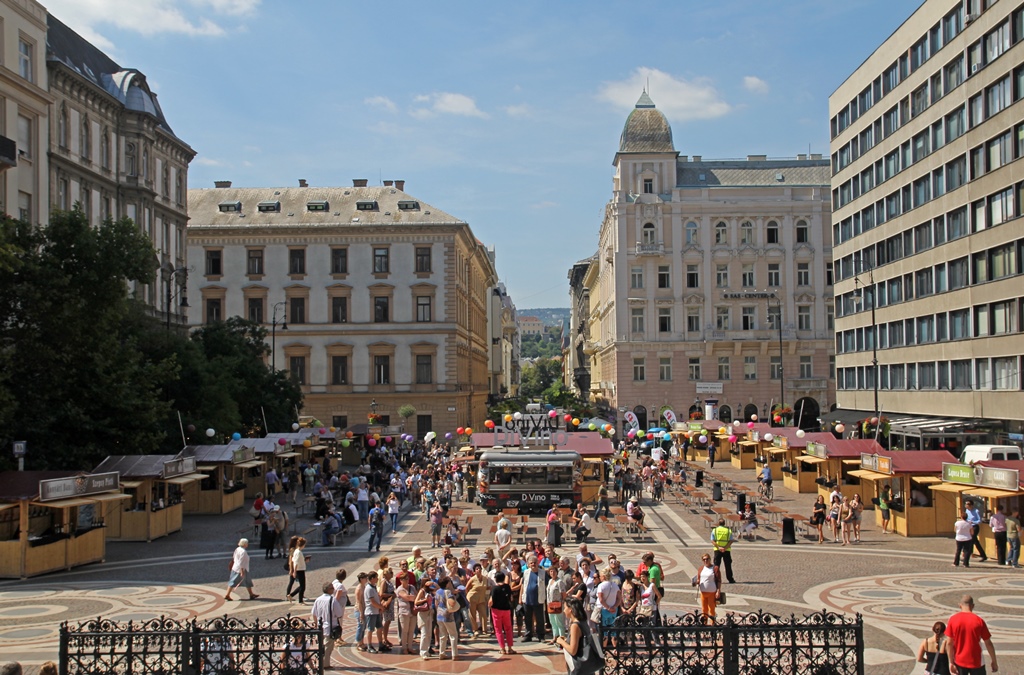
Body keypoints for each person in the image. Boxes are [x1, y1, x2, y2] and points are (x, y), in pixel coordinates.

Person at [945, 595, 998, 675]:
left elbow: (949, 643)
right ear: (973, 606)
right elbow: (988, 643)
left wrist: (951, 662)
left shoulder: (953, 619)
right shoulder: (979, 621)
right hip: (977, 661)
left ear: (960, 605)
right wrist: (994, 661)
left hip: (959, 661)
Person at [555, 597, 602, 675]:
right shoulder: (583, 622)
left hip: (579, 668)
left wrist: (561, 642)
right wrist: (567, 640)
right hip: (588, 667)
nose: (564, 611)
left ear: (570, 609)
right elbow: (581, 642)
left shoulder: (575, 626)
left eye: (565, 608)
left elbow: (573, 651)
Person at [311, 582, 343, 671]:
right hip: (330, 627)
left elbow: (314, 613)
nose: (333, 590)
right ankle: (325, 664)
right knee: (328, 647)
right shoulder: (333, 600)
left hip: (320, 627)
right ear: (329, 590)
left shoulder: (318, 599)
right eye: (332, 588)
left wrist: (316, 623)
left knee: (321, 646)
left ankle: (320, 662)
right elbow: (339, 614)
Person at [520, 554, 547, 642]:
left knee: (540, 619)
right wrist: (521, 598)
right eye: (531, 563)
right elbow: (523, 585)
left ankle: (541, 635)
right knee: (527, 618)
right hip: (527, 599)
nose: (533, 564)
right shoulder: (526, 572)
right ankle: (528, 634)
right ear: (528, 564)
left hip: (538, 599)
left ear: (538, 563)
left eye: (535, 563)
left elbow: (547, 584)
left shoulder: (542, 572)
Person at [489, 570, 515, 655]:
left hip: (496, 611)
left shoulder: (494, 589)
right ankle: (510, 648)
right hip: (506, 610)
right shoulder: (507, 587)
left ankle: (502, 648)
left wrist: (489, 606)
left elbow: (491, 601)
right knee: (508, 628)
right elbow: (511, 598)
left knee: (498, 630)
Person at [692, 553, 721, 624]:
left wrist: (718, 591)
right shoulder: (701, 569)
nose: (705, 561)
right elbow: (698, 579)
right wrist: (696, 582)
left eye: (707, 559)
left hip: (712, 592)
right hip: (703, 593)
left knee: (711, 609)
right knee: (704, 610)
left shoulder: (715, 568)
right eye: (704, 559)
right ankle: (704, 624)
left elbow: (719, 580)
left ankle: (712, 624)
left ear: (710, 559)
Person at [435, 577, 459, 660]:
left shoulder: (437, 592)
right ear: (447, 583)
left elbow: (436, 603)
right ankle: (454, 654)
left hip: (439, 615)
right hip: (447, 615)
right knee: (453, 635)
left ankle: (442, 653)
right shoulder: (448, 592)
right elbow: (451, 603)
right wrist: (454, 598)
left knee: (442, 635)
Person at [395, 569, 417, 655]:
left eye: (407, 579)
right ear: (401, 580)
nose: (406, 580)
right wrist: (411, 597)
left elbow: (416, 596)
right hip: (404, 612)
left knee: (411, 630)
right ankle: (404, 647)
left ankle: (410, 647)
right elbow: (407, 597)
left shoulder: (412, 587)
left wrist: (412, 597)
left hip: (412, 611)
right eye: (404, 579)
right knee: (405, 630)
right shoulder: (399, 589)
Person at [362, 570, 385, 653]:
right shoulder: (368, 589)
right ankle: (369, 646)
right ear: (372, 578)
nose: (377, 579)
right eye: (376, 578)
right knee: (370, 629)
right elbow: (372, 602)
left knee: (379, 628)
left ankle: (380, 644)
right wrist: (381, 607)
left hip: (376, 611)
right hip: (371, 612)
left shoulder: (373, 587)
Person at [465, 562, 491, 637]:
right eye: (477, 569)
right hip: (472, 598)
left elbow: (486, 587)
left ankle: (484, 630)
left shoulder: (485, 579)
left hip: (481, 599)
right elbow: (467, 588)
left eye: (479, 568)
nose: (478, 570)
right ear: (474, 571)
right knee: (472, 615)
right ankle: (475, 629)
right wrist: (468, 596)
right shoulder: (472, 579)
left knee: (484, 614)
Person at [710, 519, 736, 583]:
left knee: (716, 565)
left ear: (718, 523)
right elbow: (731, 540)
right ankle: (730, 579)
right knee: (728, 565)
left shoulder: (715, 530)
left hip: (717, 550)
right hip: (726, 550)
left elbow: (712, 541)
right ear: (724, 524)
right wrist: (725, 548)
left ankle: (715, 578)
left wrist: (719, 547)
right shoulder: (728, 530)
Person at [415, 578, 436, 660]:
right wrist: (424, 600)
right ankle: (423, 651)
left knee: (429, 633)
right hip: (423, 613)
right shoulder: (422, 591)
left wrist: (433, 583)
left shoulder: (430, 591)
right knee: (424, 633)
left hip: (429, 613)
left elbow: (437, 589)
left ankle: (427, 650)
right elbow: (416, 602)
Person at [546, 564, 566, 646]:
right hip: (550, 604)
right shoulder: (550, 581)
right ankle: (555, 637)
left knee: (559, 622)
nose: (552, 573)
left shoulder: (559, 582)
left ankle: (562, 638)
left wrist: (563, 603)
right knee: (553, 622)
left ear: (557, 572)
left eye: (554, 571)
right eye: (551, 571)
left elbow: (563, 594)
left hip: (558, 604)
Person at [287, 537, 310, 604]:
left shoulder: (297, 551)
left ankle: (291, 595)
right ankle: (299, 600)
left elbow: (296, 561)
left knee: (302, 586)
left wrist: (304, 561)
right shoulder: (298, 552)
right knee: (302, 586)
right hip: (300, 570)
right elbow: (295, 562)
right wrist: (294, 571)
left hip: (300, 569)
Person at [331, 569, 349, 646]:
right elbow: (337, 597)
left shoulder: (334, 582)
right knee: (339, 622)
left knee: (338, 621)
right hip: (339, 607)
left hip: (337, 606)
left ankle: (339, 637)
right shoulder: (340, 585)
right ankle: (337, 638)